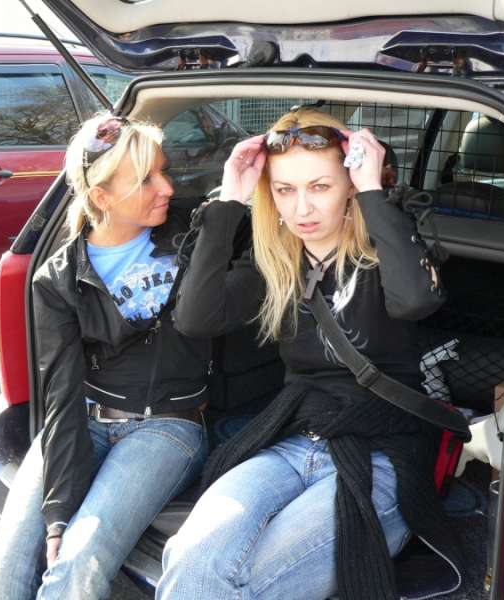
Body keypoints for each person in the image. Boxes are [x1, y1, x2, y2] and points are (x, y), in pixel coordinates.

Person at [157, 108, 463, 600]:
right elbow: (195, 318)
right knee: (192, 556)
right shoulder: (275, 262)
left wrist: (372, 191)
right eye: (284, 190)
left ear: (349, 185)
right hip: (293, 443)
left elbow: (414, 301)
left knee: (252, 583)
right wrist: (230, 199)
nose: (302, 208)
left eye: (320, 187)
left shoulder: (387, 251)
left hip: (382, 453)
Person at [0, 113, 209, 600]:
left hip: (166, 426)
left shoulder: (191, 237)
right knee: (6, 574)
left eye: (164, 171)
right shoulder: (58, 278)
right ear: (102, 198)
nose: (167, 187)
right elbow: (61, 394)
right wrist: (58, 514)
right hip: (84, 418)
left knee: (78, 564)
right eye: (146, 179)